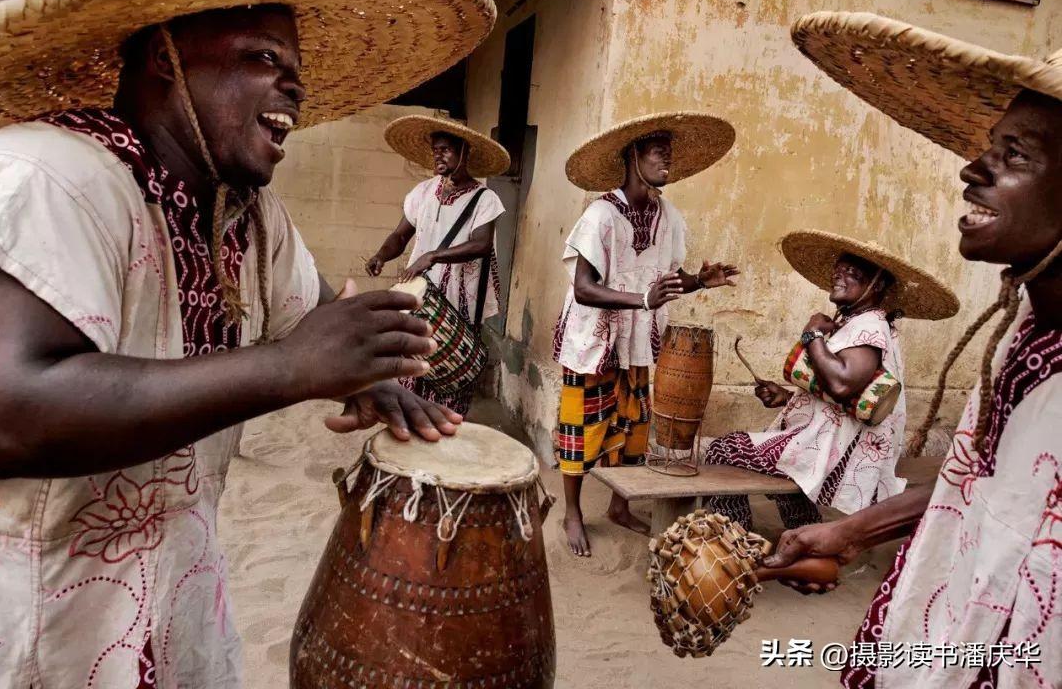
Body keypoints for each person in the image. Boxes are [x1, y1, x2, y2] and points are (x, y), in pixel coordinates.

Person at [0, 0, 494, 686]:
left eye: (295, 72)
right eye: (262, 57)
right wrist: (287, 369)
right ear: (166, 57)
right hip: (34, 636)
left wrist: (370, 372)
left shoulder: (248, 218)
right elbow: (4, 411)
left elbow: (313, 314)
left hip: (179, 615)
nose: (293, 88)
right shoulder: (52, 176)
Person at [764, 11, 1062, 687]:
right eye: (990, 146)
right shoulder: (1027, 334)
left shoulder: (863, 331)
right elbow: (988, 484)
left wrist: (812, 340)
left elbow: (844, 388)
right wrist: (849, 533)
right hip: (953, 623)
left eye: (1015, 155)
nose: (972, 168)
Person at [553, 112, 740, 556]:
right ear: (633, 156)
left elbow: (664, 283)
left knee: (633, 425)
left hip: (636, 340)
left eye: (669, 155)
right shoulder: (600, 216)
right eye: (659, 153)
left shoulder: (668, 216)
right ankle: (573, 513)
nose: (667, 162)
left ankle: (620, 506)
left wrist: (699, 280)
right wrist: (641, 300)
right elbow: (583, 288)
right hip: (594, 340)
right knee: (581, 427)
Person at [706, 231, 958, 532]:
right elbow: (846, 395)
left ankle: (732, 541)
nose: (838, 277)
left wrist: (812, 334)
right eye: (838, 271)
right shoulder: (854, 323)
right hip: (828, 439)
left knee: (723, 450)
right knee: (781, 470)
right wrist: (787, 398)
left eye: (851, 273)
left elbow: (842, 385)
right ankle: (804, 537)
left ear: (876, 285)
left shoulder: (870, 328)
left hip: (837, 450)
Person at [366, 116, 510, 415]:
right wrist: (381, 255)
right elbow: (400, 234)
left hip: (459, 300)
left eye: (446, 149)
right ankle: (411, 422)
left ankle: (443, 429)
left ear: (464, 152)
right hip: (422, 297)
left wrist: (432, 256)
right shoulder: (423, 192)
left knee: (450, 367)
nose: (438, 155)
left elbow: (481, 244)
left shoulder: (485, 199)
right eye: (435, 150)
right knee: (413, 362)